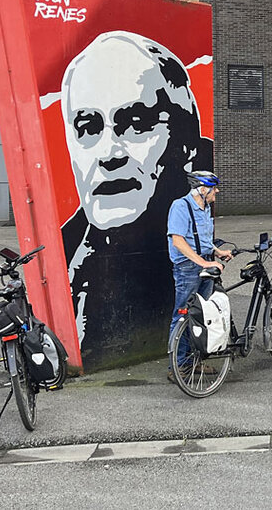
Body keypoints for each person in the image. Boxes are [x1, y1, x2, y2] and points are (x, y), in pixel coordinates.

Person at [60, 30, 213, 366]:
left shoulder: (194, 210)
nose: (108, 153)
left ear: (185, 144)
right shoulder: (58, 260)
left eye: (136, 123)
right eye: (87, 128)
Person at [167, 170, 232, 381]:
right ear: (203, 190)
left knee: (200, 316)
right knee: (182, 316)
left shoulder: (205, 208)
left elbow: (201, 238)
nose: (217, 192)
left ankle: (192, 362)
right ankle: (177, 367)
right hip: (188, 268)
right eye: (214, 188)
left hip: (204, 263)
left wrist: (217, 252)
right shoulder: (180, 206)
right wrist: (204, 262)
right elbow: (178, 241)